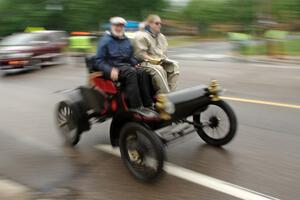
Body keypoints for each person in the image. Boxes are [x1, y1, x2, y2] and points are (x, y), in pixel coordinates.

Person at [95, 17, 154, 112]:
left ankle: (148, 104)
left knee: (143, 72)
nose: (119, 28)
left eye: (121, 26)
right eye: (116, 25)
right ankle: (136, 107)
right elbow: (98, 61)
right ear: (112, 26)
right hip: (112, 69)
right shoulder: (105, 40)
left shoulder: (125, 40)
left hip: (125, 67)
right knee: (131, 72)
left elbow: (129, 57)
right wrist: (110, 70)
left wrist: (135, 63)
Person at [133, 14, 179, 95]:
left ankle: (172, 95)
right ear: (150, 24)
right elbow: (141, 54)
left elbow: (164, 53)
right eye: (157, 23)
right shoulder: (141, 36)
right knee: (159, 69)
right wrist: (153, 60)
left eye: (160, 23)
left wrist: (164, 60)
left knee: (174, 66)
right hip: (145, 62)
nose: (159, 25)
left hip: (160, 60)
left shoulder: (162, 37)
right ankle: (164, 98)